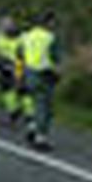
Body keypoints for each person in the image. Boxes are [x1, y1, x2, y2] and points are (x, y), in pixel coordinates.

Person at [20, 11, 61, 151]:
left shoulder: (27, 36)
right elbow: (56, 58)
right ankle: (40, 138)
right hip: (44, 75)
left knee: (33, 103)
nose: (54, 25)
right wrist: (58, 73)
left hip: (28, 73)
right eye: (53, 22)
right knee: (44, 107)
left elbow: (19, 53)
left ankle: (31, 127)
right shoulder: (50, 37)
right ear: (48, 22)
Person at [0, 16, 26, 125]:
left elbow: (23, 55)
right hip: (4, 65)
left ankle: (19, 111)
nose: (4, 29)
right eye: (3, 26)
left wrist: (18, 71)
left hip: (18, 65)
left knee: (19, 89)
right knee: (6, 89)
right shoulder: (0, 37)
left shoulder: (21, 37)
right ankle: (13, 112)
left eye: (7, 26)